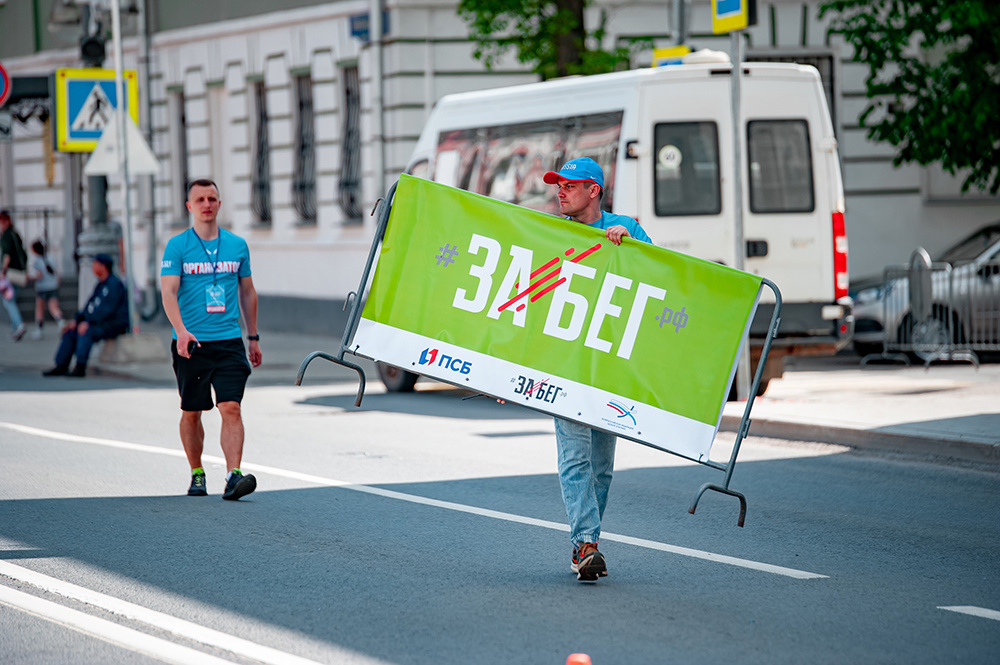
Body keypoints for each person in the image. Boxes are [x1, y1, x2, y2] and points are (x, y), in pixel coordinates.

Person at [541, 157, 653, 581]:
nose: (560, 192)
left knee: (601, 466)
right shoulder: (550, 233)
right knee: (575, 459)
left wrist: (635, 246)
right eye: (558, 185)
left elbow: (661, 276)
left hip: (610, 365)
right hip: (565, 365)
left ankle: (583, 546)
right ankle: (587, 542)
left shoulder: (626, 226)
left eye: (570, 185)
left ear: (594, 191)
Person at [160, 179, 262, 501]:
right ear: (190, 206)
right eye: (200, 199)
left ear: (219, 204)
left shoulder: (237, 245)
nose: (207, 204)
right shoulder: (177, 247)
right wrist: (180, 330)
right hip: (192, 343)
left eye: (213, 199)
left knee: (231, 407)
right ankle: (197, 472)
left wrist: (253, 337)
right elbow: (168, 292)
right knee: (193, 411)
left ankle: (233, 476)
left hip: (229, 340)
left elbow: (247, 292)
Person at [42, 254, 129, 377]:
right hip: (99, 322)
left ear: (103, 267)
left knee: (86, 331)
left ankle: (80, 366)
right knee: (71, 331)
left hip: (113, 323)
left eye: (95, 264)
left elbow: (107, 310)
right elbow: (89, 307)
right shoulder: (101, 285)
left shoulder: (114, 285)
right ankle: (61, 365)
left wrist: (88, 323)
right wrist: (77, 320)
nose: (92, 267)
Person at [28, 240, 65, 340]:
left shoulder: (37, 261)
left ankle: (38, 330)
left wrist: (29, 278)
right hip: (53, 286)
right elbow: (57, 274)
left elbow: (39, 275)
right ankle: (61, 323)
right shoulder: (51, 258)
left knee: (39, 309)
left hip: (42, 287)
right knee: (54, 307)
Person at [0, 210, 28, 341]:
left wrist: (3, 271)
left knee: (8, 301)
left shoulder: (6, 235)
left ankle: (19, 325)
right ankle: (15, 330)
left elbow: (7, 256)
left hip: (10, 273)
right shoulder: (15, 234)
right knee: (12, 299)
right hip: (19, 273)